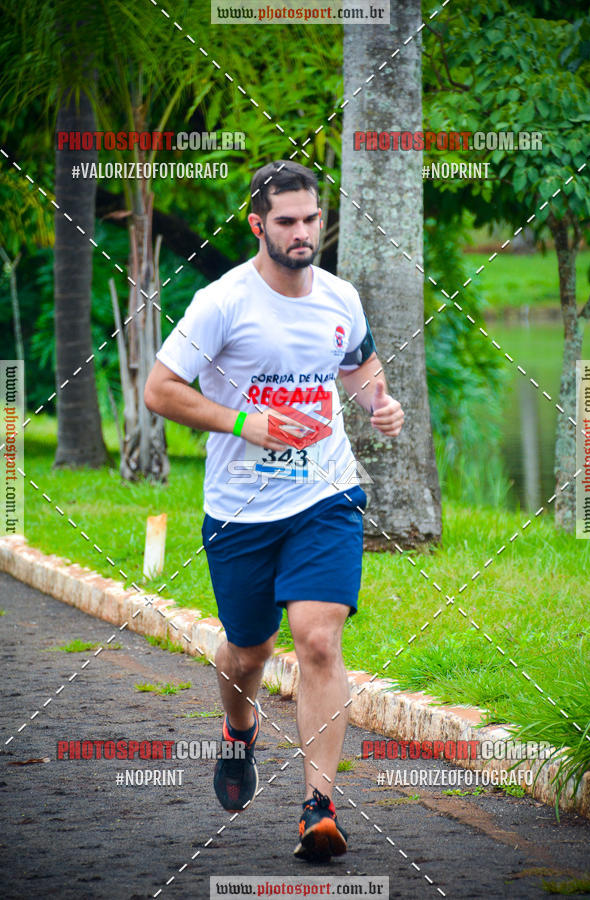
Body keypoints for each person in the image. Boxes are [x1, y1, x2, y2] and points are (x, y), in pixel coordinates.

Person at [144, 160, 404, 862]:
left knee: (317, 639)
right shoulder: (223, 302)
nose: (302, 232)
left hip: (326, 494)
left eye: (311, 218)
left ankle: (318, 806)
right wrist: (241, 423)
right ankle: (239, 730)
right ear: (259, 224)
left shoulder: (341, 297)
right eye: (286, 221)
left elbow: (358, 364)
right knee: (249, 649)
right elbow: (160, 391)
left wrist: (378, 402)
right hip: (240, 510)